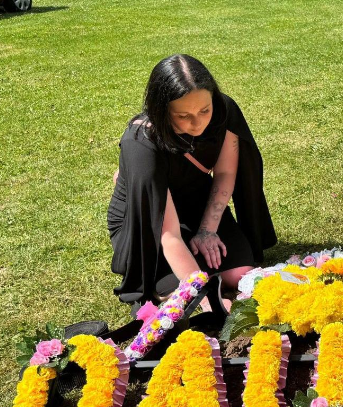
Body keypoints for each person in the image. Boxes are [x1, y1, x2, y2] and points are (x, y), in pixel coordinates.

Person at [108, 54, 277, 311]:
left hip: (197, 201)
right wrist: (211, 304)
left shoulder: (224, 111)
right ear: (161, 110)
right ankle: (204, 282)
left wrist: (207, 231)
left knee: (241, 274)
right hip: (150, 217)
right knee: (176, 288)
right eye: (183, 116)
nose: (197, 123)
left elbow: (224, 175)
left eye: (204, 110)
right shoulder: (141, 142)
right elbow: (168, 234)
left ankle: (210, 276)